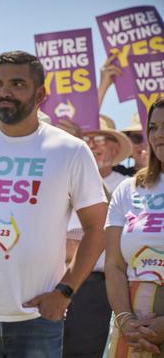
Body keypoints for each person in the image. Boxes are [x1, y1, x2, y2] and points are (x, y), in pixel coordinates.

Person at [0, 51, 107, 357]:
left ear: (40, 94)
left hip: (39, 319)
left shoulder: (70, 151)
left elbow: (97, 228)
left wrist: (64, 292)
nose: (4, 92)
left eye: (17, 83)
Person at [63, 114, 132, 357]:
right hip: (55, 279)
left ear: (115, 148)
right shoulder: (63, 176)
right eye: (86, 139)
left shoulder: (128, 184)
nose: (91, 145)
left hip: (95, 287)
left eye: (99, 139)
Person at [104, 98, 164, 357]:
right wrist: (127, 321)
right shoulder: (128, 189)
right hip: (131, 328)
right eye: (153, 127)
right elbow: (115, 265)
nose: (159, 135)